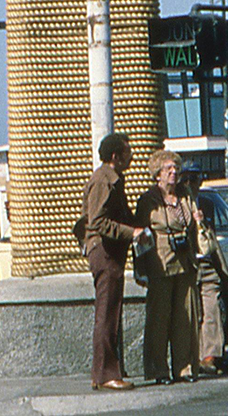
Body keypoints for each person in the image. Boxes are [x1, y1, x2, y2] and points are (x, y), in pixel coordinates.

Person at [80, 133, 144, 392]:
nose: (132, 156)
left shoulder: (113, 180)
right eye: (128, 152)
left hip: (111, 254)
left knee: (110, 312)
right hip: (105, 254)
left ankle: (105, 372)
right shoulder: (104, 180)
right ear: (115, 156)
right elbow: (97, 222)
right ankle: (106, 374)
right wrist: (132, 233)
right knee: (107, 314)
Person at [134, 150, 200, 384]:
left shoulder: (185, 195)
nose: (174, 173)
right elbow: (139, 236)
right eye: (168, 169)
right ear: (157, 174)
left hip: (185, 261)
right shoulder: (148, 199)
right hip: (160, 263)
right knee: (159, 320)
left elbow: (193, 224)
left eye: (176, 168)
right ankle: (158, 369)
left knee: (186, 319)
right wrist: (140, 269)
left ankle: (185, 368)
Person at [180, 163, 228, 375]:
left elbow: (211, 236)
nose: (191, 184)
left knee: (211, 310)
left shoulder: (206, 204)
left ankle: (209, 356)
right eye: (187, 179)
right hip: (189, 263)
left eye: (195, 179)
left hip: (207, 262)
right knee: (193, 311)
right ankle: (191, 357)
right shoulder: (179, 204)